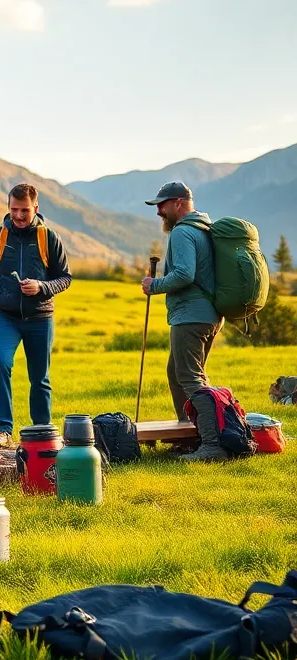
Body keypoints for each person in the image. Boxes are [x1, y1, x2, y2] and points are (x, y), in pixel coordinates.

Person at [0, 183, 73, 448]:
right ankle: (3, 431)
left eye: (25, 210)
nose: (19, 215)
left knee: (39, 377)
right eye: (14, 209)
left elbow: (65, 278)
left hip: (41, 318)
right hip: (5, 317)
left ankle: (41, 433)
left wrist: (42, 287)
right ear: (8, 207)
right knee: (1, 364)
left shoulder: (48, 237)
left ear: (36, 208)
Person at [141, 181, 228, 461]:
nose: (158, 212)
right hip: (209, 315)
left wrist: (153, 285)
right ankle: (192, 434)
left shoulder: (182, 233)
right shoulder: (205, 228)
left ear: (178, 203)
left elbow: (184, 275)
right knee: (178, 372)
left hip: (191, 316)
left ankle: (212, 445)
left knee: (189, 377)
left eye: (161, 205)